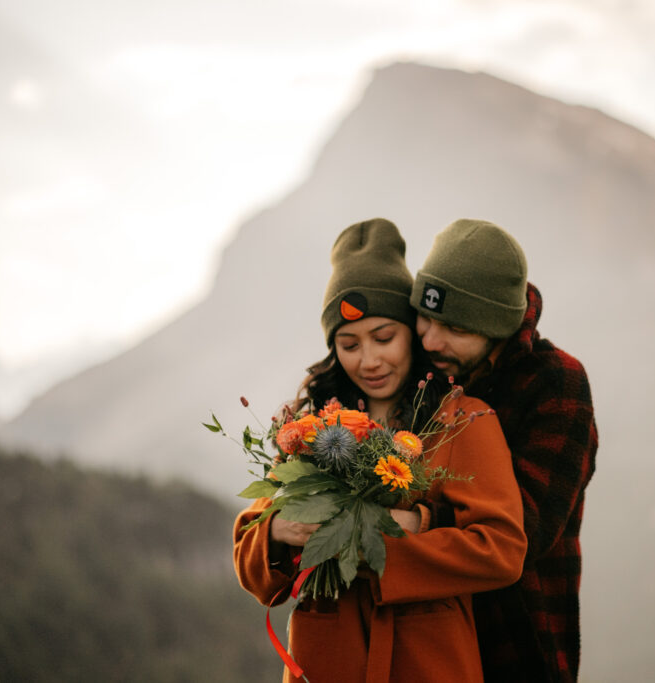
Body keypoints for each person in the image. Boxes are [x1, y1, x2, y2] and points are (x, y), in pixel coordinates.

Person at [233, 218, 528, 682]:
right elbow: (250, 562)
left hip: (428, 662)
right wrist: (276, 531)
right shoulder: (311, 427)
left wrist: (392, 534)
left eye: (385, 338)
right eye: (349, 344)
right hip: (324, 661)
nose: (369, 360)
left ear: (412, 331)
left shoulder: (462, 420)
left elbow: (502, 550)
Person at [409, 218, 599, 683]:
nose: (430, 339)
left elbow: (524, 531)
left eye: (453, 327)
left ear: (497, 326)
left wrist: (415, 522)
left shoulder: (556, 384)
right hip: (420, 644)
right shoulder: (427, 367)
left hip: (513, 645)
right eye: (424, 316)